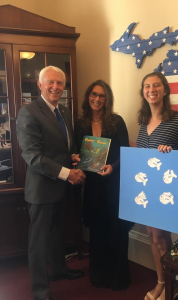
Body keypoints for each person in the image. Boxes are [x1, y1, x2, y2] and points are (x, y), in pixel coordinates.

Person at [16, 66, 86, 300]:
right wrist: (67, 173)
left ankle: (58, 270)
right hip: (41, 190)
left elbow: (62, 148)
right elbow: (33, 157)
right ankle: (40, 289)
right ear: (40, 84)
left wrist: (73, 157)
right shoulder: (28, 113)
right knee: (39, 242)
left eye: (59, 83)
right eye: (50, 83)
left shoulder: (64, 111)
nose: (55, 87)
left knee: (58, 234)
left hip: (60, 188)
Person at [136, 72, 178, 300]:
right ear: (143, 92)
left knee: (162, 237)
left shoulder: (177, 121)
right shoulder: (143, 122)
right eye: (147, 86)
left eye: (156, 85)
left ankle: (173, 287)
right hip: (148, 189)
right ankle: (161, 283)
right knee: (151, 236)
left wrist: (171, 153)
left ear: (165, 90)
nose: (151, 89)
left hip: (167, 190)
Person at [74, 79, 133, 291]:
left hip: (113, 182)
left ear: (107, 99)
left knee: (116, 228)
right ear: (88, 96)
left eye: (101, 96)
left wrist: (113, 167)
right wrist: (75, 158)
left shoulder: (117, 121)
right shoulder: (80, 124)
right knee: (98, 229)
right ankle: (98, 275)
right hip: (92, 184)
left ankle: (118, 276)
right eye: (94, 94)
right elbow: (76, 151)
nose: (97, 99)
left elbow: (125, 152)